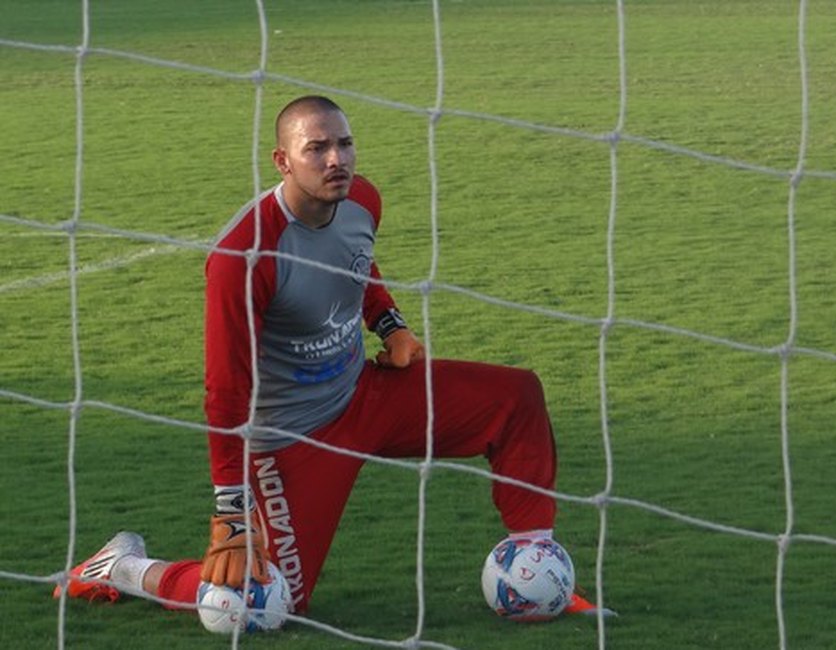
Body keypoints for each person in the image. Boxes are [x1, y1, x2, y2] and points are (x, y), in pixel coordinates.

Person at [53, 95, 608, 619]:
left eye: (344, 144)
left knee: (515, 398)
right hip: (293, 438)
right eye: (316, 149)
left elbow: (357, 265)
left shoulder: (361, 200)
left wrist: (391, 326)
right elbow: (226, 390)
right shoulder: (242, 258)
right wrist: (230, 506)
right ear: (283, 161)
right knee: (261, 605)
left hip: (365, 395)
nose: (335, 159)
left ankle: (538, 573)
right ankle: (122, 566)